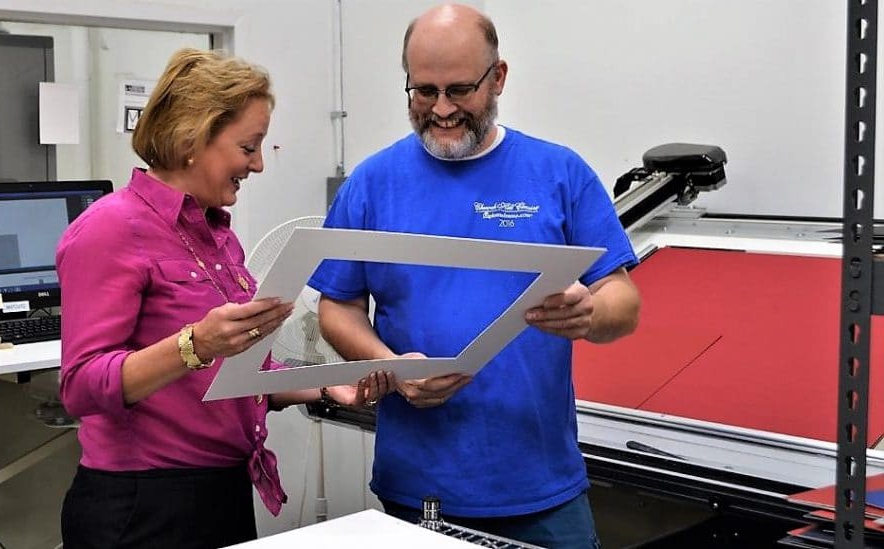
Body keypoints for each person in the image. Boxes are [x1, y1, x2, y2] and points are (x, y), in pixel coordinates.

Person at [307, 5, 641, 548]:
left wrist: (591, 313)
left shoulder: (559, 174)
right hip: (418, 489)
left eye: (459, 90)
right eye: (423, 91)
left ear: (499, 77)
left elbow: (622, 300)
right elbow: (337, 306)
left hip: (543, 487)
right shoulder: (372, 183)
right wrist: (390, 366)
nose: (441, 110)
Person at [56, 48, 392, 549]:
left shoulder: (218, 238)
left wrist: (324, 388)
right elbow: (81, 386)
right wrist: (195, 344)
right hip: (142, 504)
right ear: (194, 138)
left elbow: (237, 373)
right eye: (248, 146)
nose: (257, 164)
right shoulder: (109, 229)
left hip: (222, 490)